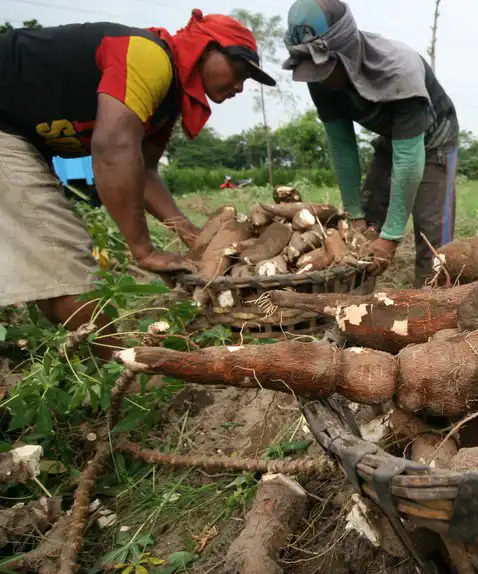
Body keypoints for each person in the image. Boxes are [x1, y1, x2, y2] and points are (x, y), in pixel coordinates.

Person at [0, 10, 276, 359]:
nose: (239, 86)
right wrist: (143, 250)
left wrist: (197, 239)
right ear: (206, 49)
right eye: (239, 70)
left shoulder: (165, 101)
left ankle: (91, 362)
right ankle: (129, 371)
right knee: (63, 254)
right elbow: (113, 147)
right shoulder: (150, 56)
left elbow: (142, 171)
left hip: (17, 132)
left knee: (50, 258)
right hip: (5, 128)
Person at [282, 0, 460, 287]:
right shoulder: (317, 79)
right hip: (392, 139)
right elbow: (342, 147)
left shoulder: (399, 69)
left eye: (326, 70)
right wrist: (356, 215)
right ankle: (355, 309)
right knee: (365, 225)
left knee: (433, 238)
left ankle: (434, 308)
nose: (321, 80)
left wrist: (390, 238)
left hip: (434, 141)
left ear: (347, 52)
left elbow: (408, 158)